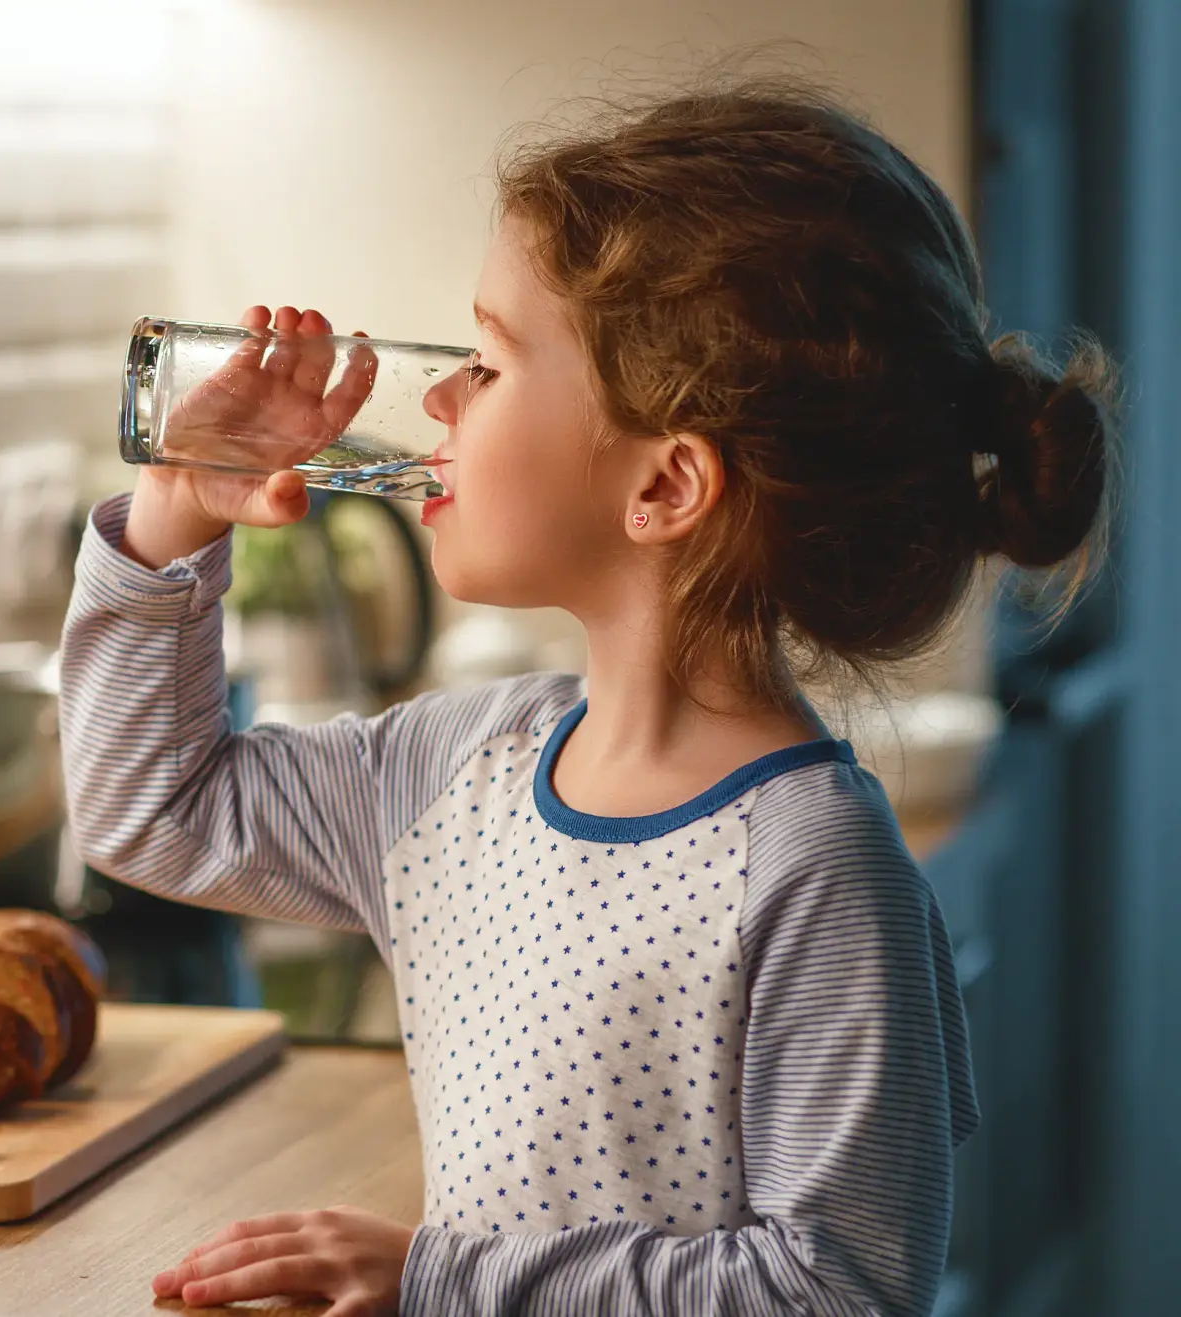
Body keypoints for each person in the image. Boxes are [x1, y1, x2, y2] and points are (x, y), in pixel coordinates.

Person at [58, 76, 1116, 1317]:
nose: (440, 395)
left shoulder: (817, 874)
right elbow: (155, 809)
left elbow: (834, 1291)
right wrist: (176, 516)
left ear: (664, 489)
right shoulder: (459, 768)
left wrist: (437, 1283)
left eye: (492, 364)